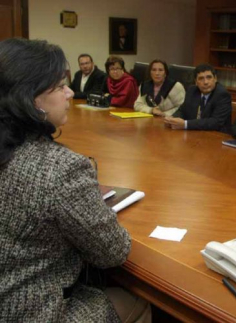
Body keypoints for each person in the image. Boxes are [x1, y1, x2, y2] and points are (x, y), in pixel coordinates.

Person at [0, 38, 150, 322]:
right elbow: (113, 252)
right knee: (137, 302)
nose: (70, 92)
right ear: (30, 99)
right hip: (34, 312)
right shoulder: (62, 169)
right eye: (59, 86)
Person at [164, 64, 232, 133]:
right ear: (196, 82)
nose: (206, 82)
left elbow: (215, 122)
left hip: (216, 136)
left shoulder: (222, 94)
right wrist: (172, 118)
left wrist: (185, 124)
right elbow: (183, 110)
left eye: (209, 77)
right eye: (201, 78)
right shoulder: (192, 90)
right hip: (195, 134)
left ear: (215, 79)